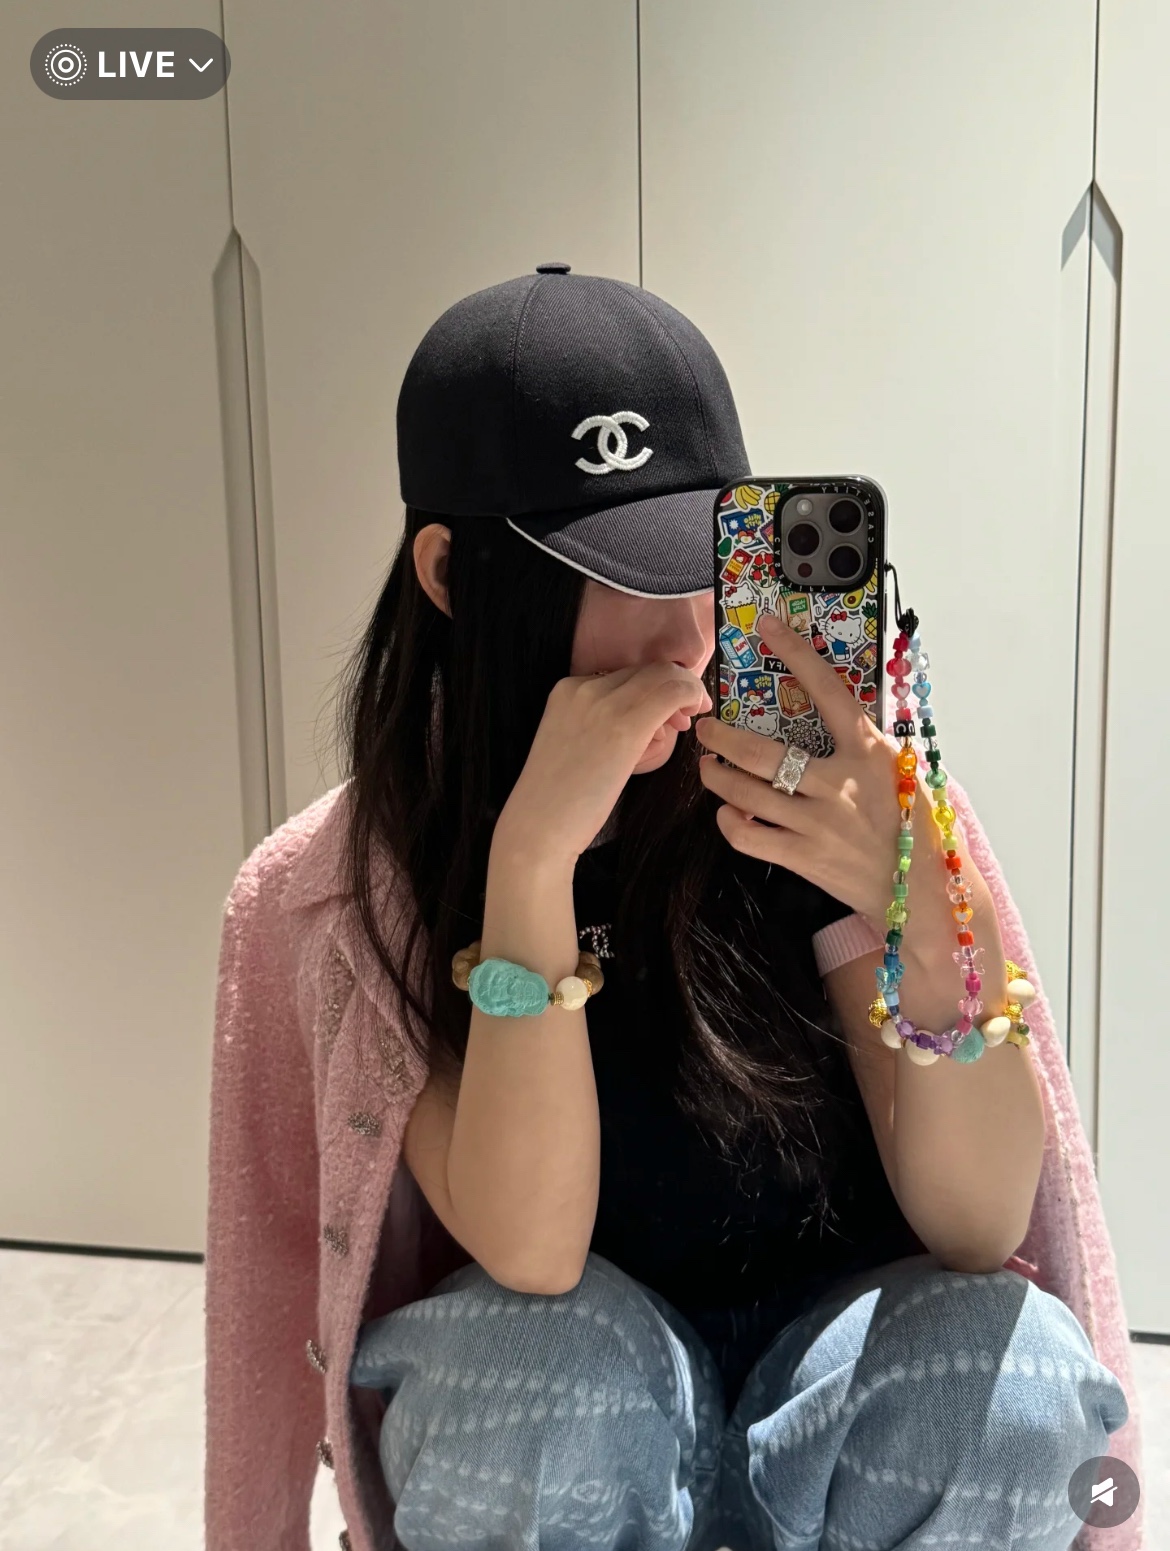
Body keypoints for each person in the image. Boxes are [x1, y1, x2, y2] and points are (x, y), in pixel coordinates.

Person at [204, 264, 1138, 1551]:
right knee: (523, 1390)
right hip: (589, 1447)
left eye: (706, 564)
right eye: (619, 574)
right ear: (451, 572)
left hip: (842, 1420)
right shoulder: (356, 886)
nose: (687, 639)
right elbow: (527, 1254)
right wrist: (532, 863)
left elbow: (980, 1227)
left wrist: (929, 908)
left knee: (1014, 1383)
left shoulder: (826, 799)